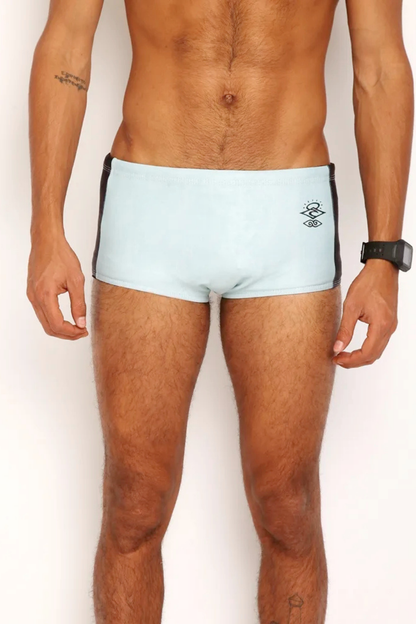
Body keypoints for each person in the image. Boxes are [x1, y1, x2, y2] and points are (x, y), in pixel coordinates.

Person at [26, 0, 414, 622]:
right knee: (134, 503)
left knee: (289, 506)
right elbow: (67, 43)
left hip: (289, 209)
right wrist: (46, 229)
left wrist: (385, 256)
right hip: (151, 201)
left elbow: (381, 66)